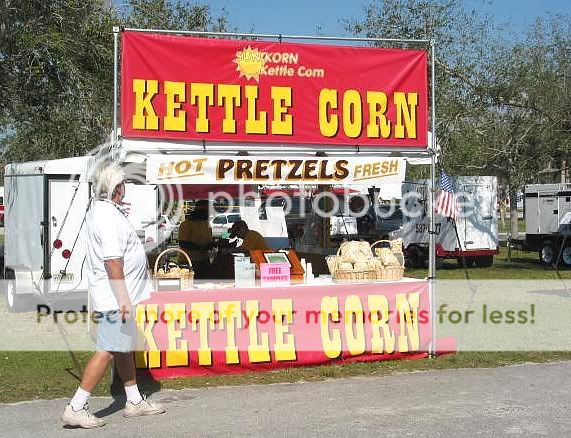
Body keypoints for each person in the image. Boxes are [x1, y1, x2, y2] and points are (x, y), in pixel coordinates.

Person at [61, 160, 165, 429]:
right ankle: (77, 406)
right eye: (123, 183)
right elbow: (112, 262)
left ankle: (133, 400)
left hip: (116, 294)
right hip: (115, 297)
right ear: (116, 187)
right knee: (107, 349)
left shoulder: (106, 211)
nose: (125, 187)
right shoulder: (107, 216)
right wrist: (123, 299)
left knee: (122, 347)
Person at [178, 200, 212, 278]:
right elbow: (182, 243)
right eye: (207, 211)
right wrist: (200, 247)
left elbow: (208, 241)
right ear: (199, 211)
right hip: (189, 261)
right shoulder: (186, 224)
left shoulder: (206, 223)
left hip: (204, 260)